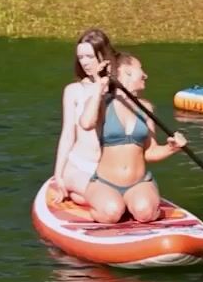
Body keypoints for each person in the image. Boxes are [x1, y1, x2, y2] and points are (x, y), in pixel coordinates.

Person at [80, 52, 188, 224]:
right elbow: (86, 123)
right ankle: (105, 206)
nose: (145, 75)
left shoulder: (146, 108)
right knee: (111, 213)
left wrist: (172, 148)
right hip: (105, 183)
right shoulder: (102, 103)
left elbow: (150, 153)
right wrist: (98, 87)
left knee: (145, 213)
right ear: (126, 71)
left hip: (139, 183)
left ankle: (140, 205)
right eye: (141, 69)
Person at [55, 28, 117, 203]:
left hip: (108, 168)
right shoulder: (73, 91)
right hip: (79, 165)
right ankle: (76, 188)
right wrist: (58, 175)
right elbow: (67, 134)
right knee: (106, 200)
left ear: (103, 56)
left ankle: (80, 196)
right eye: (81, 57)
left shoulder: (118, 91)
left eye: (90, 56)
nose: (85, 62)